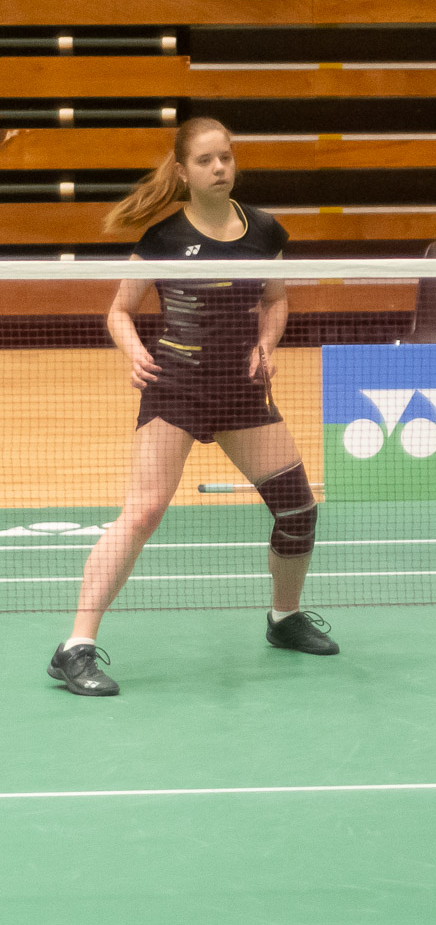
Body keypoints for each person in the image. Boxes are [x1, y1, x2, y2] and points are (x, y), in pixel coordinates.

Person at [47, 117, 338, 697]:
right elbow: (120, 310)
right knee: (142, 513)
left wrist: (267, 344)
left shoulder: (264, 231)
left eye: (226, 157)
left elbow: (276, 301)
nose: (220, 168)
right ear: (183, 171)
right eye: (206, 160)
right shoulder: (163, 238)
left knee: (297, 509)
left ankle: (284, 617)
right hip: (176, 388)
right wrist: (134, 352)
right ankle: (74, 647)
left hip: (241, 391)